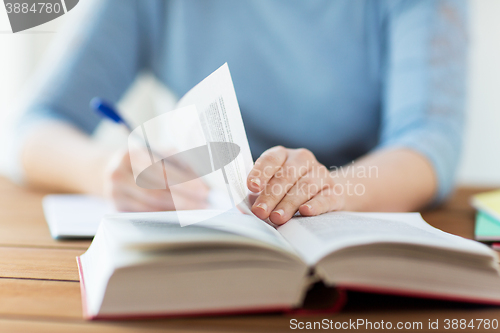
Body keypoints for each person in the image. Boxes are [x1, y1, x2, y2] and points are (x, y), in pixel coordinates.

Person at [10, 0, 467, 225]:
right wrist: (103, 171)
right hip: (206, 237)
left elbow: (429, 141)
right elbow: (31, 125)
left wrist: (327, 189)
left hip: (344, 231)